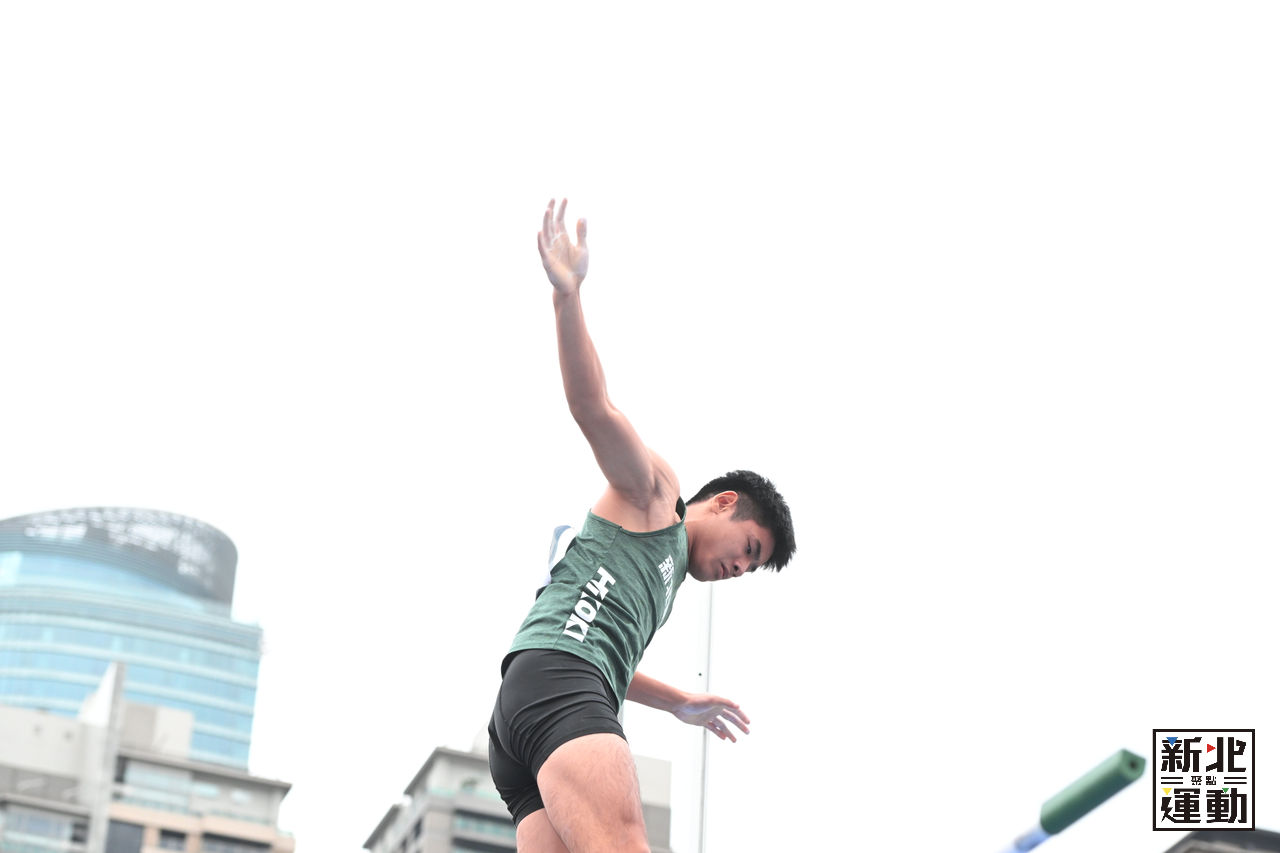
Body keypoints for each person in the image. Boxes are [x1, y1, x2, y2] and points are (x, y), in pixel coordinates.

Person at [487, 199, 796, 853]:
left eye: (749, 568)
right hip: (559, 686)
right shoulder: (655, 495)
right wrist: (567, 299)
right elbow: (593, 407)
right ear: (723, 502)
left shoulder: (660, 577)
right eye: (748, 548)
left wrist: (679, 701)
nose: (738, 568)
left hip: (527, 711)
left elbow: (606, 656)